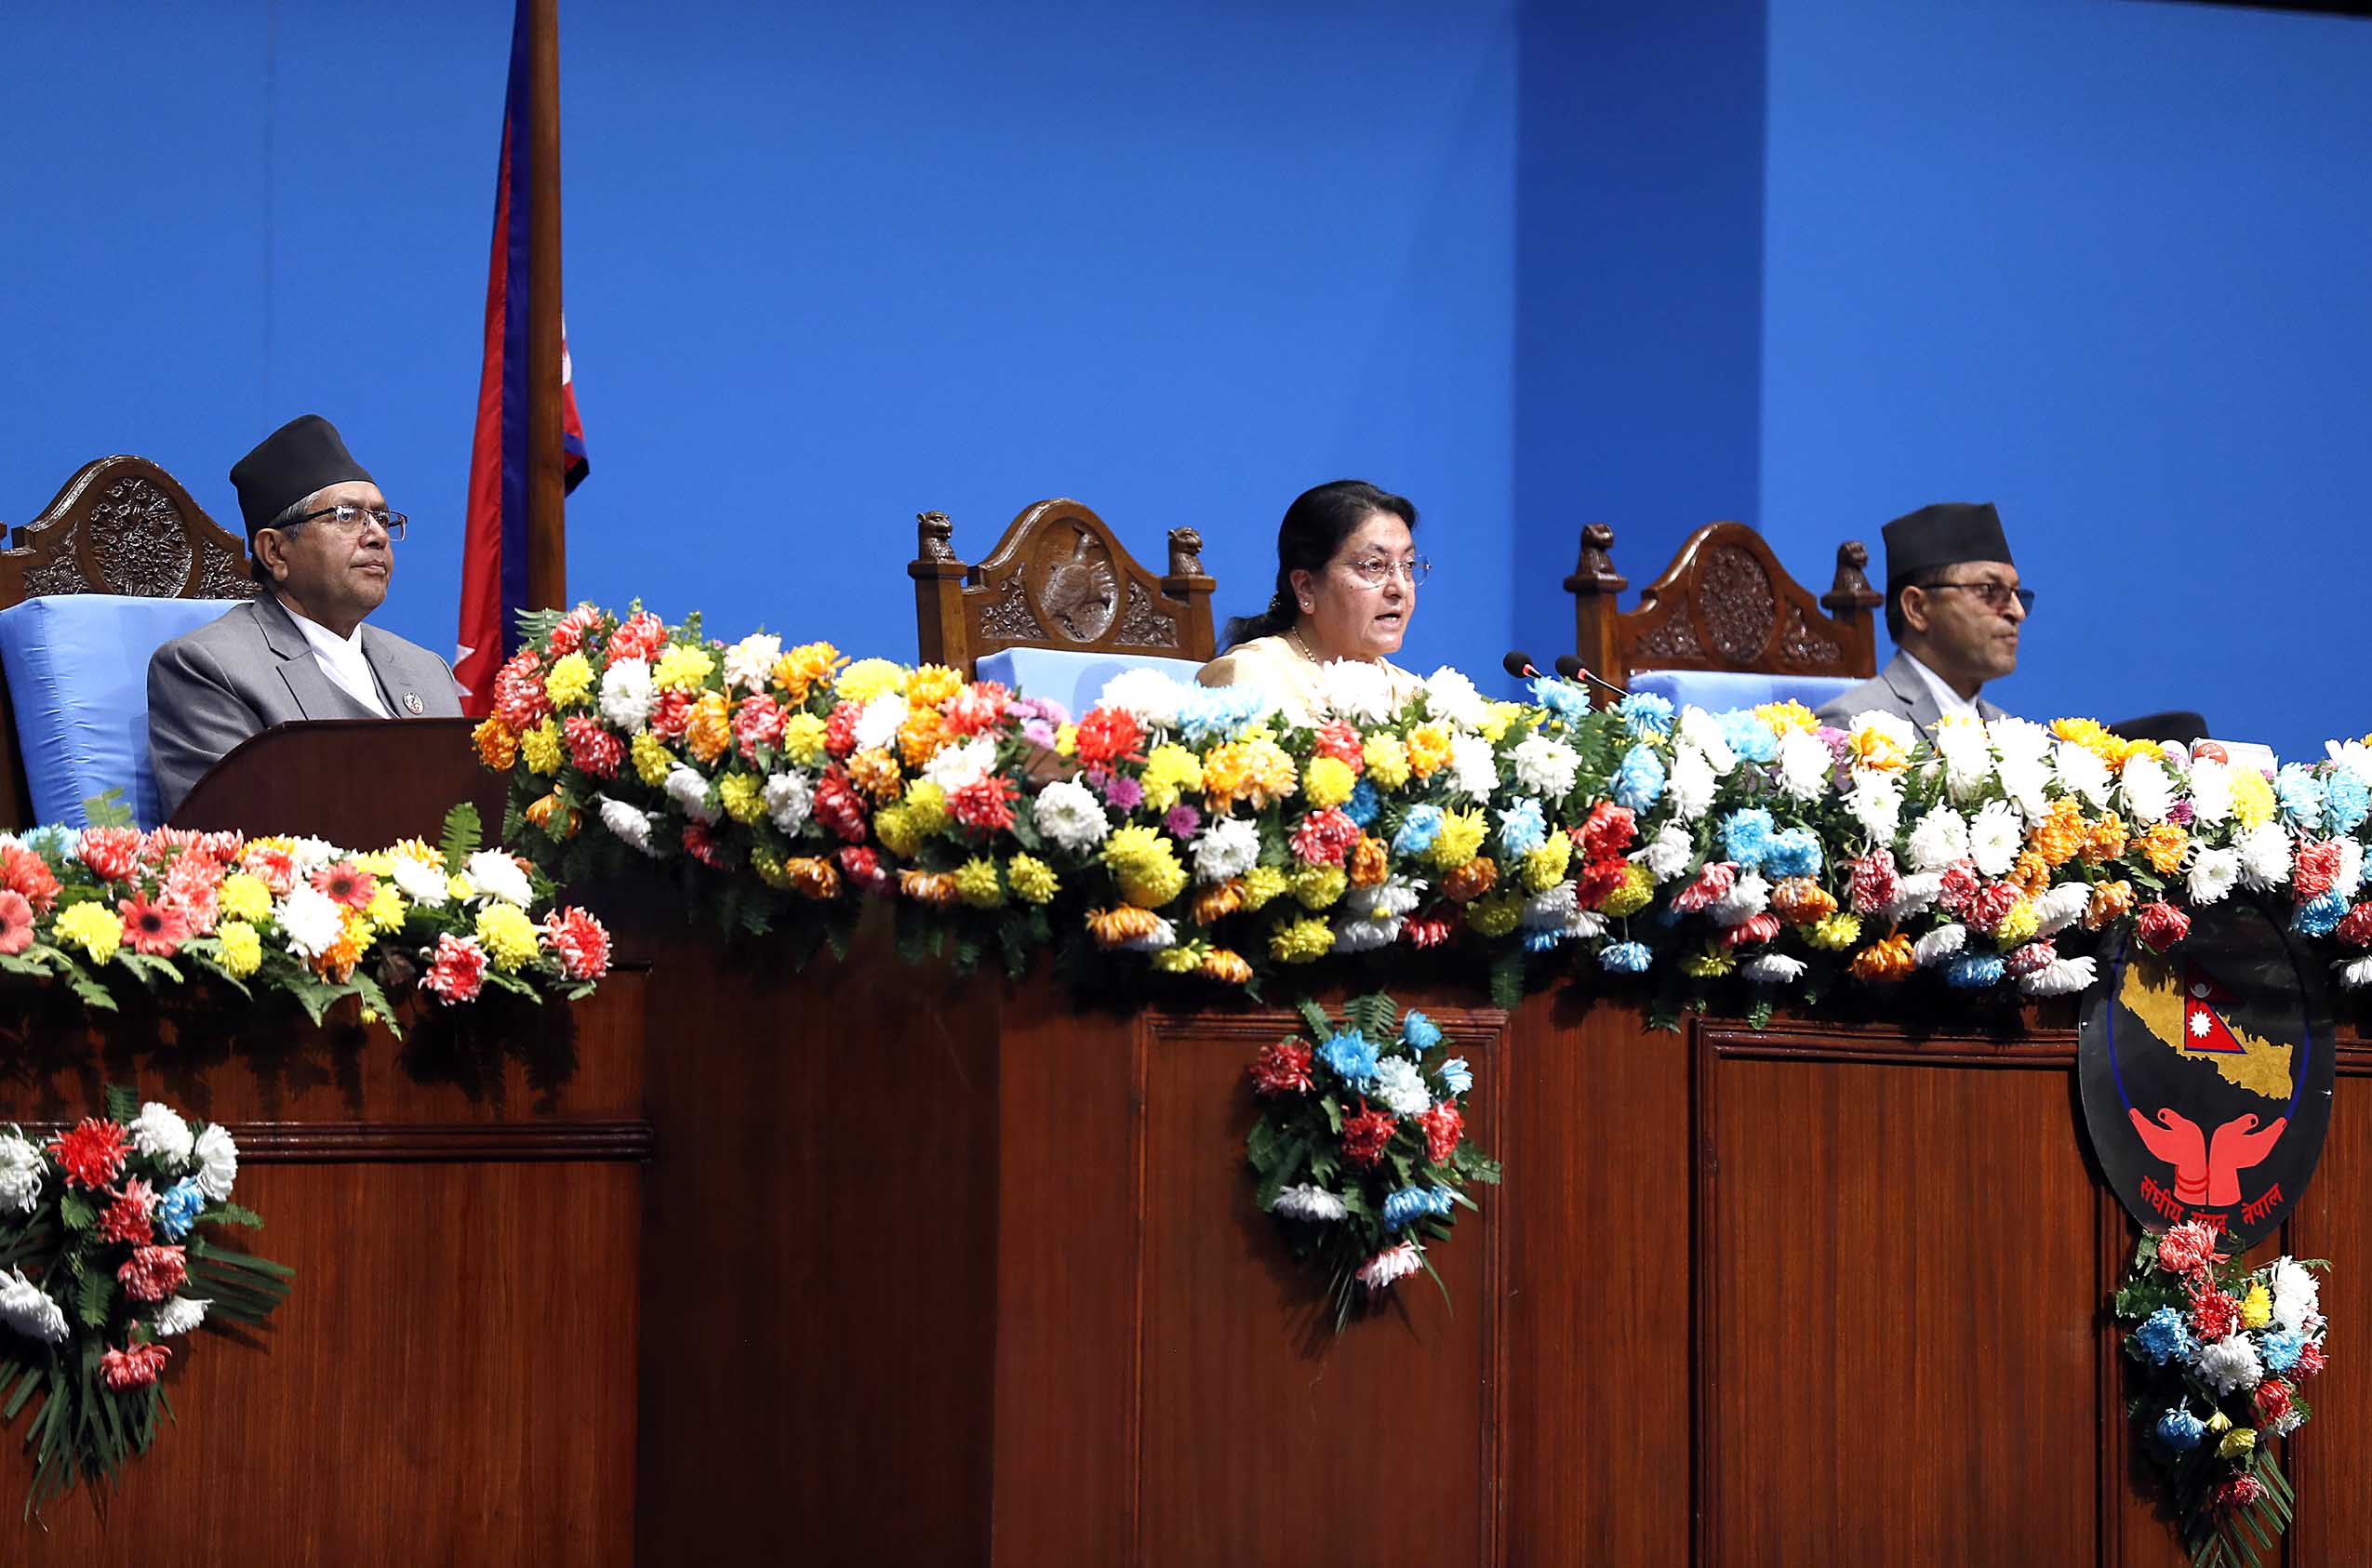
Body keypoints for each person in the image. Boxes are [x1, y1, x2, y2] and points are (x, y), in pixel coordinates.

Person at [147, 414, 461, 816]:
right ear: (276, 552)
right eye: (346, 515)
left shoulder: (427, 671)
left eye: (381, 517)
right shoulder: (208, 668)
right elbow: (232, 831)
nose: (378, 535)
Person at [1196, 479, 1428, 723]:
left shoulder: (1416, 697)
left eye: (1408, 565)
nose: (1400, 588)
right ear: (1305, 588)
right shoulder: (1252, 680)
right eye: (1374, 566)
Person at [1814, 501, 2028, 728]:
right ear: (1916, 608)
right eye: (1989, 590)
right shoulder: (1855, 726)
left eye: (2016, 594)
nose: (2018, 612)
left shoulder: (2011, 732)